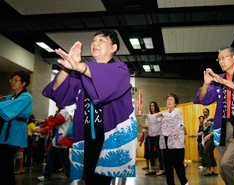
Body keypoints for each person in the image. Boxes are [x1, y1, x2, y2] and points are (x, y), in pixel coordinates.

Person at [42, 29, 137, 185]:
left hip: (110, 136)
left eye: (101, 40)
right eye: (93, 41)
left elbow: (108, 80)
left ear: (114, 48)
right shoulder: (82, 72)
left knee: (101, 180)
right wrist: (67, 68)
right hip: (86, 135)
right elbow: (58, 92)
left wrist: (80, 67)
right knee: (90, 180)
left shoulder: (120, 69)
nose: (95, 43)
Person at [193, 46, 234, 185]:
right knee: (223, 169)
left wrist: (224, 82)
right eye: (219, 59)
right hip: (221, 127)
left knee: (227, 164)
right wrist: (206, 83)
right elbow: (203, 99)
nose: (221, 62)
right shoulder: (218, 78)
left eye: (224, 58)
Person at [0, 70, 33, 185]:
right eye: (12, 80)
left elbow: (7, 108)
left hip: (16, 130)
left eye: (16, 80)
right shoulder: (10, 97)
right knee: (5, 161)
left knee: (5, 159)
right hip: (6, 130)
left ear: (23, 83)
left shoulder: (26, 97)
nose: (13, 82)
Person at [156, 93, 188, 185]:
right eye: (168, 100)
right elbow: (156, 121)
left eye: (171, 100)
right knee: (168, 167)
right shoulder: (164, 112)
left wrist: (161, 115)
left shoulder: (178, 112)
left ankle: (184, 182)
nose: (169, 101)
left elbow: (170, 118)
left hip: (176, 144)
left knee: (178, 166)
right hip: (166, 143)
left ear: (175, 103)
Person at [36, 103, 71, 181]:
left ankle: (48, 175)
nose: (57, 103)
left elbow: (58, 121)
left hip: (61, 137)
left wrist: (45, 120)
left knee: (59, 156)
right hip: (58, 137)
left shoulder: (64, 112)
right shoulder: (59, 113)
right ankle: (67, 174)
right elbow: (54, 123)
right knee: (57, 156)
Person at [137, 101, 165, 176]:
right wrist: (142, 126)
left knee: (159, 153)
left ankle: (162, 169)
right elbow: (148, 126)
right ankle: (152, 168)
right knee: (150, 152)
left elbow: (158, 121)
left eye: (153, 106)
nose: (151, 107)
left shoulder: (159, 115)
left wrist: (146, 115)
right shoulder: (148, 116)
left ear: (156, 106)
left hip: (158, 136)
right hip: (150, 136)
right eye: (150, 106)